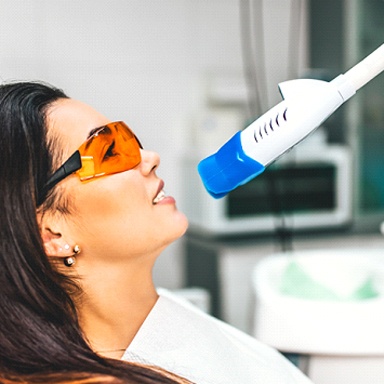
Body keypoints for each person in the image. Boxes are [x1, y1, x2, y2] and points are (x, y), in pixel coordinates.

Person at [0, 80, 313, 384]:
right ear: (52, 235)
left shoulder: (162, 314)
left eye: (129, 139)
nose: (150, 158)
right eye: (110, 151)